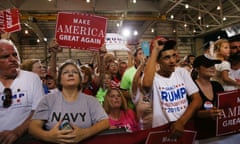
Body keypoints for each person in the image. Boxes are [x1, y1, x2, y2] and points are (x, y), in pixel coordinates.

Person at [29, 60, 109, 144]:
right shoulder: (47, 100)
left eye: (75, 72)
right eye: (65, 72)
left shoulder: (91, 101)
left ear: (80, 79)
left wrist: (86, 133)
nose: (70, 74)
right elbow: (33, 128)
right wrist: (48, 136)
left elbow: (105, 122)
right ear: (59, 80)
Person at [142, 37, 202, 138]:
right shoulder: (153, 78)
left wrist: (181, 122)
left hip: (184, 126)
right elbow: (147, 84)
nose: (172, 61)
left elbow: (197, 100)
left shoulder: (182, 72)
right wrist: (155, 51)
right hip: (162, 130)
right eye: (167, 57)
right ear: (158, 61)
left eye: (174, 56)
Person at [0, 39, 44, 144]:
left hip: (26, 137)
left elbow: (39, 111)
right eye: (6, 56)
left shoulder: (32, 78)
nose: (13, 59)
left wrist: (17, 132)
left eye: (15, 55)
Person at [191, 54, 223, 139]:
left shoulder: (217, 86)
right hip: (199, 135)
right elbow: (187, 112)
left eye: (213, 65)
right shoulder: (191, 87)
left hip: (217, 133)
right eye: (208, 65)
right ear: (197, 68)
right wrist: (205, 114)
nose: (212, 68)